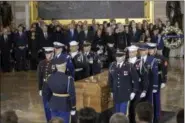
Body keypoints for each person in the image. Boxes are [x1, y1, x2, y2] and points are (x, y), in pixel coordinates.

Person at [108, 49, 139, 114]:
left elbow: (136, 80)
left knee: (123, 113)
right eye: (117, 56)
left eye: (120, 56)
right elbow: (110, 80)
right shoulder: (112, 65)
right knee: (116, 113)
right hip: (116, 93)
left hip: (126, 94)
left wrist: (134, 92)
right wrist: (111, 91)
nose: (118, 58)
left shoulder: (129, 66)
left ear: (124, 57)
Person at [46, 57, 76, 123]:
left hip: (53, 104)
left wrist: (51, 102)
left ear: (56, 66)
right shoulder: (68, 79)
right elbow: (72, 95)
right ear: (65, 65)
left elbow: (47, 93)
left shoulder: (50, 77)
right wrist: (73, 107)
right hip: (64, 105)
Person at [127, 45, 149, 123]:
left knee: (135, 108)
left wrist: (145, 90)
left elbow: (145, 77)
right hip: (128, 89)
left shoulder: (140, 63)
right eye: (129, 52)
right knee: (128, 109)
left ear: (136, 52)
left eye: (132, 52)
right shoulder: (126, 62)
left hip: (138, 89)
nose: (131, 54)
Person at [147, 42, 168, 123]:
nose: (150, 51)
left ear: (155, 49)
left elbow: (164, 71)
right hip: (149, 80)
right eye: (149, 49)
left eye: (152, 49)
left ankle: (157, 114)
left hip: (158, 80)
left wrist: (164, 81)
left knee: (156, 98)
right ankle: (150, 114)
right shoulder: (147, 58)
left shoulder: (162, 58)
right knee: (149, 98)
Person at [37, 47, 55, 122]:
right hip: (45, 87)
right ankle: (49, 120)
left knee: (54, 107)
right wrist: (40, 88)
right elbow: (39, 77)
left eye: (49, 54)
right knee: (46, 106)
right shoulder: (41, 63)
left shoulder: (56, 62)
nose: (47, 55)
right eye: (46, 54)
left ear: (52, 53)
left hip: (54, 88)